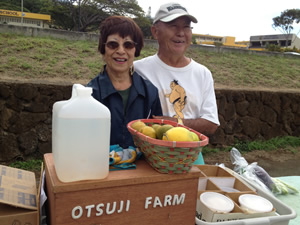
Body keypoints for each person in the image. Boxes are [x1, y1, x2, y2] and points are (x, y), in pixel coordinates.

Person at [134, 3, 220, 164]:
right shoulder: (138, 70)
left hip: (190, 158)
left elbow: (211, 123)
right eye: (173, 26)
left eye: (186, 27)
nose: (181, 33)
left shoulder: (202, 73)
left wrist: (173, 123)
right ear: (155, 32)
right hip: (148, 157)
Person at [87, 16, 162, 149]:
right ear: (103, 50)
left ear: (135, 50)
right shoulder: (89, 94)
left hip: (140, 168)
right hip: (100, 166)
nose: (121, 51)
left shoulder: (151, 92)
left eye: (128, 45)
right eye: (113, 44)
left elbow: (156, 138)